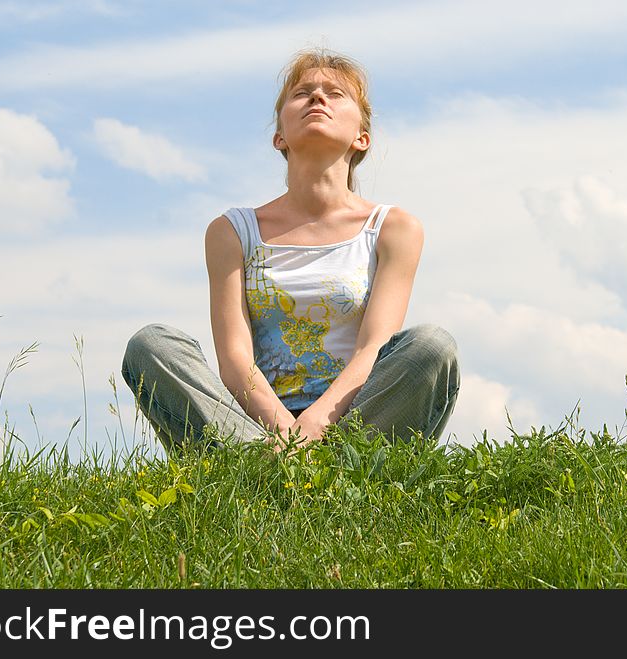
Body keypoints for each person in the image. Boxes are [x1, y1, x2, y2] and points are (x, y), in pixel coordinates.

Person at [121, 47, 460, 454]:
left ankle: (333, 466)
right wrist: (283, 433)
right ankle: (261, 464)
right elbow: (234, 357)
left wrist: (315, 426)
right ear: (279, 136)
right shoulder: (232, 231)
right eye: (302, 93)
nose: (318, 98)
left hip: (355, 424)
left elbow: (374, 347)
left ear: (361, 137)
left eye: (335, 94)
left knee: (433, 346)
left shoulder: (394, 228)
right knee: (151, 345)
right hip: (256, 427)